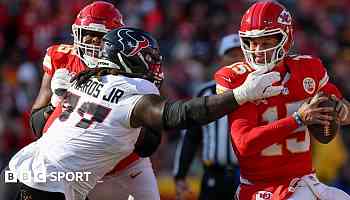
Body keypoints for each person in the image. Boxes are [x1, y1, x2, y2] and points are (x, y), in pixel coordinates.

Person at [8, 26, 284, 200]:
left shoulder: (88, 78)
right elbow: (182, 114)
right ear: (129, 59)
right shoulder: (133, 92)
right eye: (149, 59)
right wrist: (240, 95)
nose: (154, 68)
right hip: (47, 185)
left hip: (17, 171)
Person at [214, 1, 350, 200]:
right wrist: (297, 119)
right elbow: (244, 143)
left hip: (306, 181)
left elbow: (342, 108)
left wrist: (342, 110)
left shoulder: (308, 69)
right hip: (263, 189)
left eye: (265, 42)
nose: (257, 50)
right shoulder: (238, 79)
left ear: (285, 40)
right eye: (252, 42)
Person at [173, 33, 243, 200]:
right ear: (221, 60)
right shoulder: (205, 93)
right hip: (214, 176)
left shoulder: (261, 92)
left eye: (242, 54)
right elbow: (190, 137)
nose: (238, 59)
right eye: (232, 54)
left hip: (249, 175)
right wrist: (180, 174)